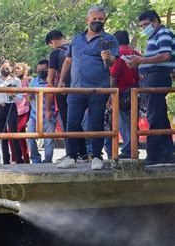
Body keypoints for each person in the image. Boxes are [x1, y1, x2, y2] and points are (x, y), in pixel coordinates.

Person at [57, 5, 119, 170]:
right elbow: (68, 60)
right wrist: (61, 80)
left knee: (96, 123)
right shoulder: (76, 39)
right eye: (94, 19)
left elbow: (113, 60)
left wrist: (108, 57)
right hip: (76, 88)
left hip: (98, 89)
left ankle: (97, 157)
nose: (97, 21)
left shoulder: (109, 39)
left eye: (101, 19)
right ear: (87, 20)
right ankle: (71, 155)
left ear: (105, 20)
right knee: (72, 122)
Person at [127, 10, 174, 165]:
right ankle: (166, 154)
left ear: (155, 21)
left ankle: (154, 155)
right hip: (150, 78)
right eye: (141, 26)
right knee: (158, 115)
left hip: (156, 77)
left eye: (145, 24)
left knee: (154, 116)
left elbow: (165, 55)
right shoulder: (154, 36)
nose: (143, 28)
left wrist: (141, 61)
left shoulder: (163, 33)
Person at [45, 30, 90, 162]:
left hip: (63, 91)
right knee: (77, 121)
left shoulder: (55, 53)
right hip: (81, 89)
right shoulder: (77, 48)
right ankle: (83, 153)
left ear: (53, 42)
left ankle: (71, 154)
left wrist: (53, 85)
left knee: (67, 122)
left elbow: (50, 78)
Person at [104, 30, 140, 159]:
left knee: (123, 122)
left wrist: (110, 95)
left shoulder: (118, 55)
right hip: (135, 91)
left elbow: (113, 77)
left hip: (121, 92)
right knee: (133, 121)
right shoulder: (135, 53)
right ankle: (134, 148)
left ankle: (127, 150)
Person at [0, 60, 24, 164]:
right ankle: (5, 160)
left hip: (11, 107)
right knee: (2, 134)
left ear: (11, 68)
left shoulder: (16, 80)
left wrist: (12, 94)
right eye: (3, 68)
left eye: (7, 68)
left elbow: (20, 97)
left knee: (14, 133)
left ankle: (19, 159)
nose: (5, 70)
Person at [27, 60, 56, 163]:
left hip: (50, 115)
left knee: (49, 141)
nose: (41, 71)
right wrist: (29, 97)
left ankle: (48, 161)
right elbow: (28, 97)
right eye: (39, 70)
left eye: (44, 69)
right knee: (29, 136)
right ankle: (35, 160)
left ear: (49, 69)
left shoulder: (54, 81)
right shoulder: (33, 82)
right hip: (34, 115)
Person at [13, 62, 31, 163]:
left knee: (17, 132)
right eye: (15, 69)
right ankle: (17, 158)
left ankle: (21, 158)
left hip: (25, 110)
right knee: (16, 134)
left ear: (24, 69)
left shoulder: (29, 80)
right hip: (14, 110)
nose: (16, 70)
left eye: (18, 68)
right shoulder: (14, 81)